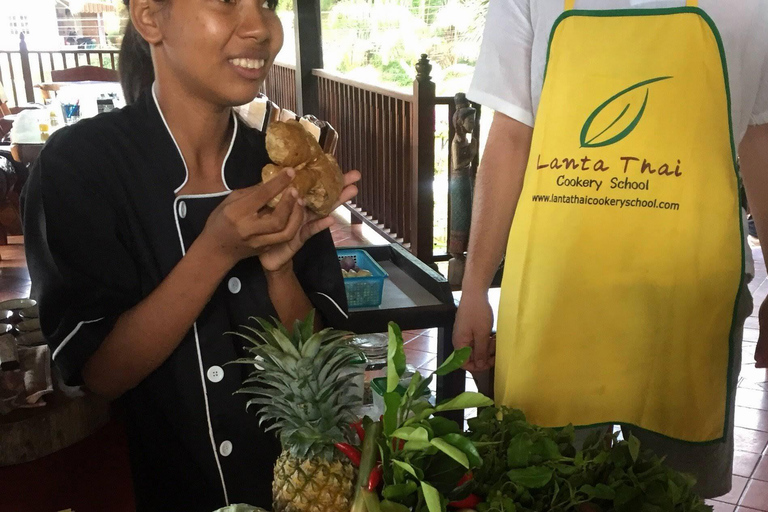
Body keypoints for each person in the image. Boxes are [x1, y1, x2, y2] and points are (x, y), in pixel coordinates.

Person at [21, 0, 360, 510]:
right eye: (227, 1)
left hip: (295, 492)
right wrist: (215, 251)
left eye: (267, 4)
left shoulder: (281, 166)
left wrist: (281, 270)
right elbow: (101, 373)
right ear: (150, 19)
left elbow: (326, 375)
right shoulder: (80, 167)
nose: (259, 27)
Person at [454, 0, 768, 499]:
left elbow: (760, 137)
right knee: (542, 486)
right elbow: (511, 135)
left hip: (687, 301)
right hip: (556, 301)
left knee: (671, 496)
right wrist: (473, 288)